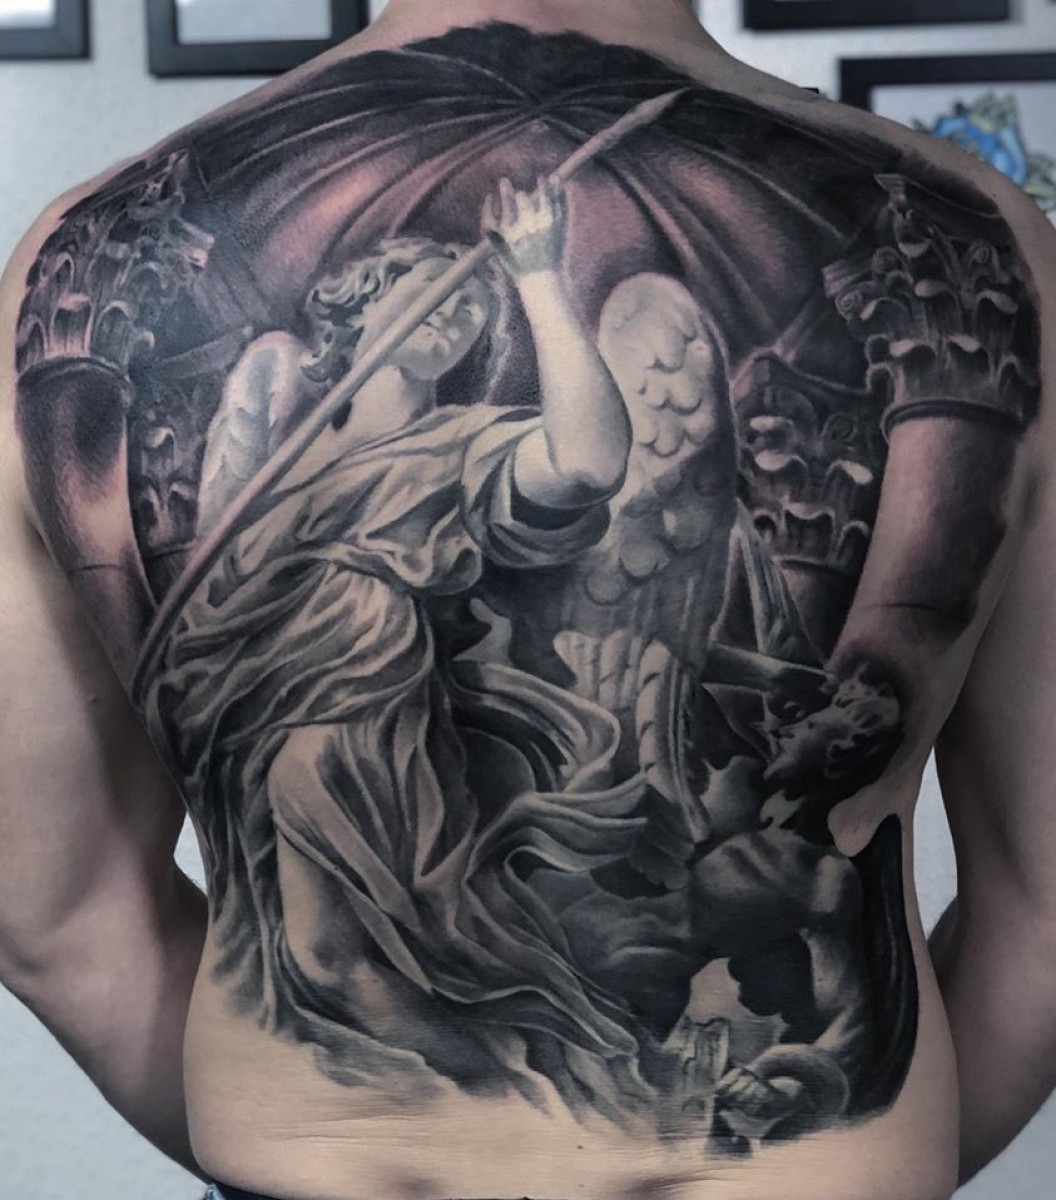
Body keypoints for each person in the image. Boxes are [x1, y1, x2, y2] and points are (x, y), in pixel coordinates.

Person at [0, 2, 1053, 1199]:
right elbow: (1048, 916)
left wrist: (289, 1132)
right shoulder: (994, 240)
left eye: (465, 310)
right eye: (433, 303)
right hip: (785, 1177)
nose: (454, 320)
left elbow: (51, 914)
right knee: (348, 944)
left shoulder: (74, 251)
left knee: (449, 918)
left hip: (380, 862)